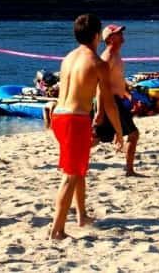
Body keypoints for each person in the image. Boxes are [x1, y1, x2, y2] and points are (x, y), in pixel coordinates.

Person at [49, 14, 122, 240]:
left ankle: (81, 216)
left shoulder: (68, 58)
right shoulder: (97, 63)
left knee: (78, 170)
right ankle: (57, 230)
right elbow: (109, 103)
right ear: (97, 35)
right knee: (70, 175)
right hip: (75, 118)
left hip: (59, 116)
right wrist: (119, 131)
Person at [93, 24, 141, 176]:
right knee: (133, 134)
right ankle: (129, 170)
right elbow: (100, 86)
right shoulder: (108, 57)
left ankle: (69, 156)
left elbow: (117, 80)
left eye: (121, 32)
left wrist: (128, 95)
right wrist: (100, 111)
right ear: (110, 38)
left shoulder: (116, 54)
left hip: (116, 100)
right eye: (118, 33)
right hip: (110, 102)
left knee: (98, 139)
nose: (122, 35)